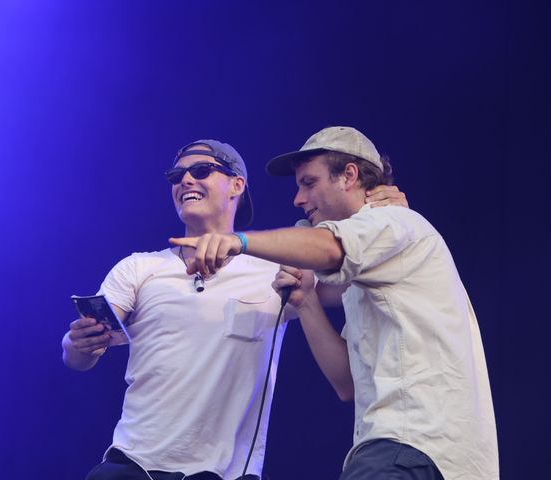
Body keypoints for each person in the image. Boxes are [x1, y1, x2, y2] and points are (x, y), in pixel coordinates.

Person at [62, 137, 408, 480]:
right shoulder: (138, 268)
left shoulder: (276, 267)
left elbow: (358, 276)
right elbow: (79, 356)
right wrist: (79, 345)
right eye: (176, 176)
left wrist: (385, 216)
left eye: (200, 171)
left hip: (226, 473)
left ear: (237, 184)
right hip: (134, 465)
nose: (185, 181)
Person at [170, 126, 499, 480]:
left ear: (349, 176)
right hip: (436, 457)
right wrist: (306, 301)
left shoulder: (392, 221)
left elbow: (328, 247)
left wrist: (237, 241)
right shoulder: (365, 272)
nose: (298, 199)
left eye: (309, 183)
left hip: (410, 448)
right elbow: (347, 385)